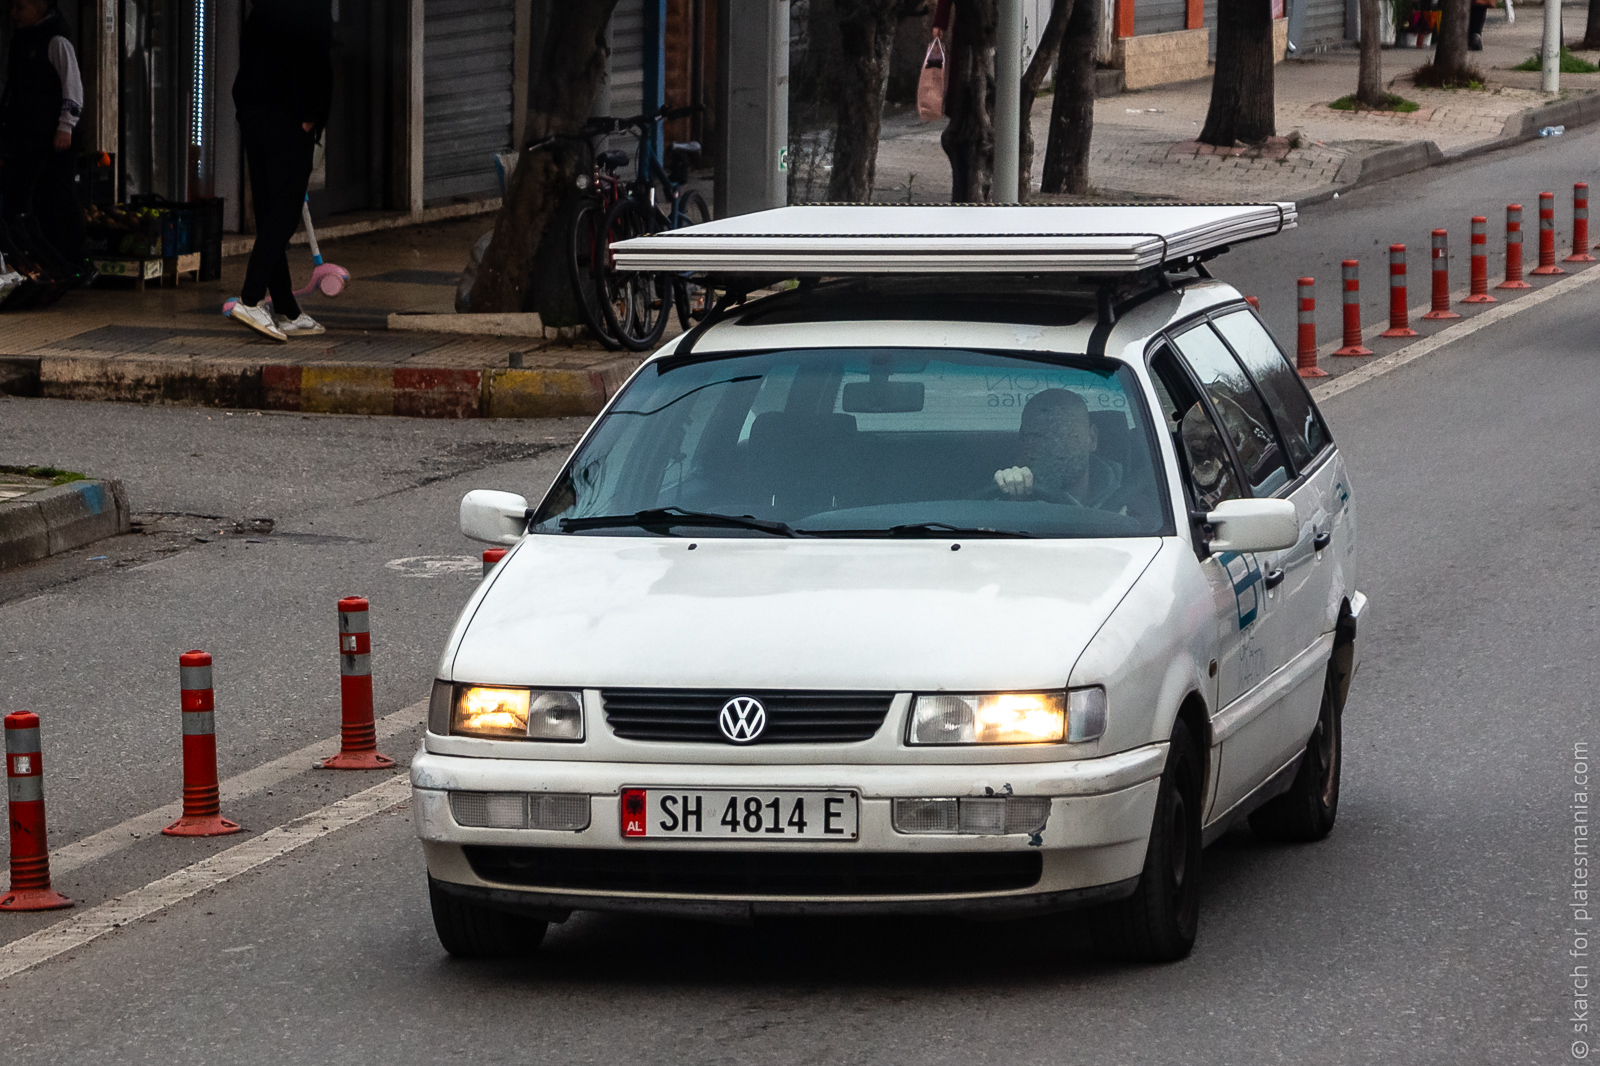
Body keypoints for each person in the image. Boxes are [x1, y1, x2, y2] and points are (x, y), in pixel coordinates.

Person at [228, 0, 332, 342]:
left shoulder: (263, 7)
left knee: (269, 210)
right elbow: (318, 61)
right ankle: (250, 297)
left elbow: (249, 60)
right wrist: (310, 116)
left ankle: (287, 309)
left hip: (256, 119)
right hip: (290, 121)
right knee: (284, 213)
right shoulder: (311, 9)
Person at [0, 0, 86, 272]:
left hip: (54, 136)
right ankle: (36, 260)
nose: (14, 13)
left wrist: (66, 125)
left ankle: (74, 260)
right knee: (26, 196)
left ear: (38, 7)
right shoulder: (22, 40)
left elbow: (72, 85)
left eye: (20, 7)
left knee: (57, 196)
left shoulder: (56, 40)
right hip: (28, 133)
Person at [992, 389, 1124, 508]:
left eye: (1059, 435)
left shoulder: (1133, 506)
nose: (1046, 447)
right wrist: (1013, 503)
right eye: (1032, 437)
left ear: (1091, 438)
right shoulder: (1008, 499)